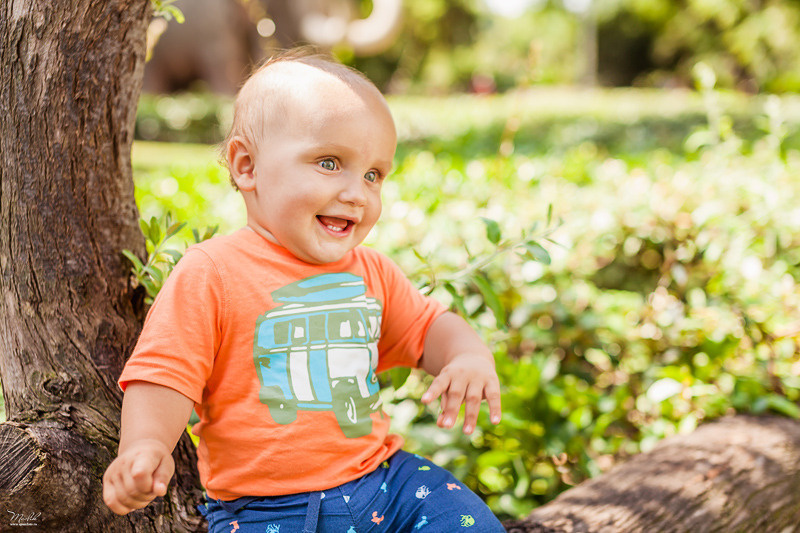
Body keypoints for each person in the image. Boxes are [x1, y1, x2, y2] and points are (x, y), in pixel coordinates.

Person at [103, 48, 505, 532]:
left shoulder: (370, 271)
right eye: (330, 163)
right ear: (247, 166)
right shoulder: (211, 272)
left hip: (385, 484)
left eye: (374, 174)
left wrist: (466, 357)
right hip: (265, 511)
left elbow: (429, 327)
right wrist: (145, 445)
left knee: (462, 519)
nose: (358, 192)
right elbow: (165, 374)